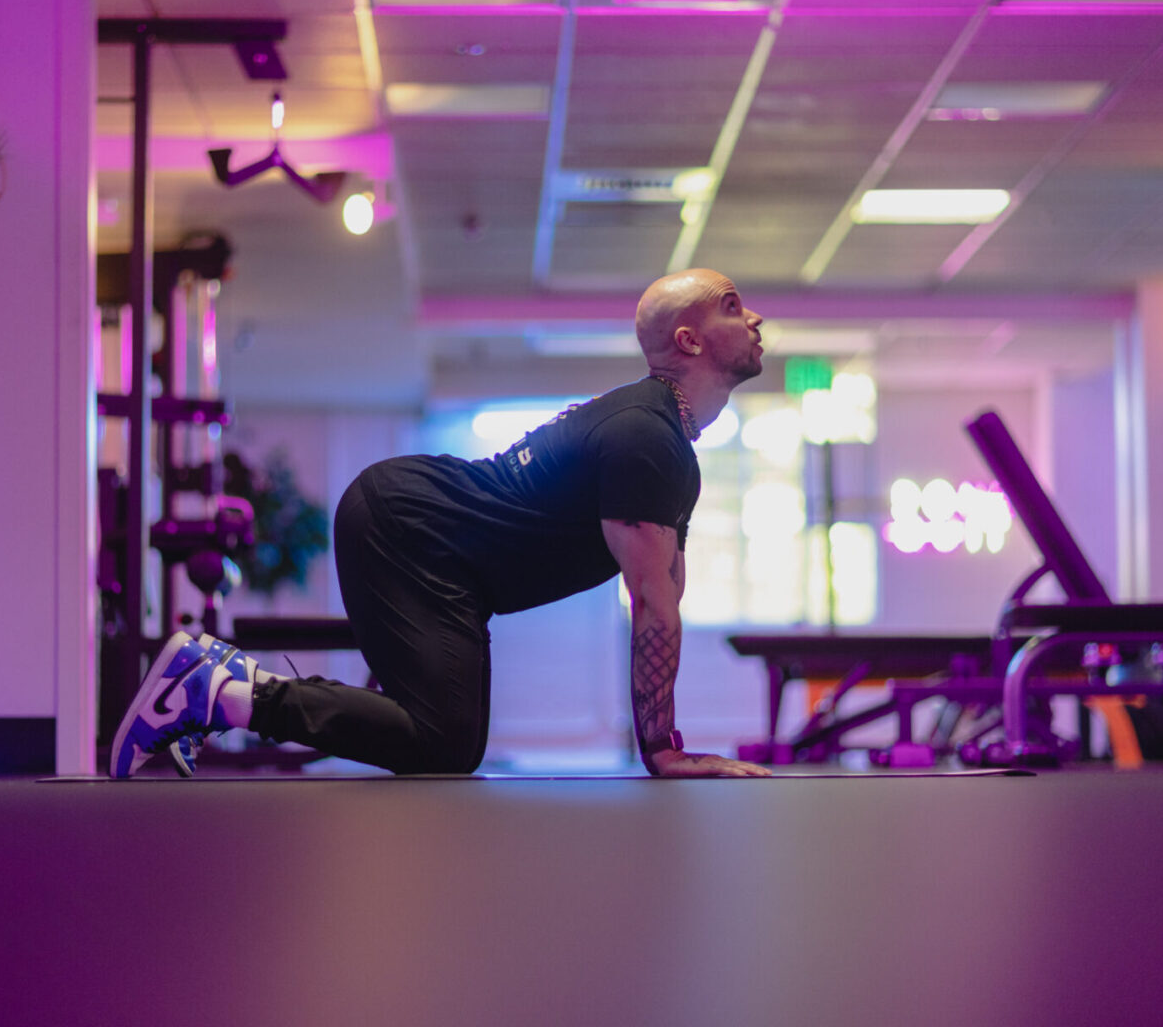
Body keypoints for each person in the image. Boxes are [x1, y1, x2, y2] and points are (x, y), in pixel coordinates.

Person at [109, 268, 773, 779]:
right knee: (442, 743)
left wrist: (660, 744)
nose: (754, 318)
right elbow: (651, 601)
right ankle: (221, 694)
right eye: (732, 306)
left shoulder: (664, 442)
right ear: (688, 340)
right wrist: (662, 750)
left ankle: (222, 683)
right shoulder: (646, 437)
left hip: (442, 560)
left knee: (449, 746)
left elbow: (666, 588)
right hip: (408, 529)